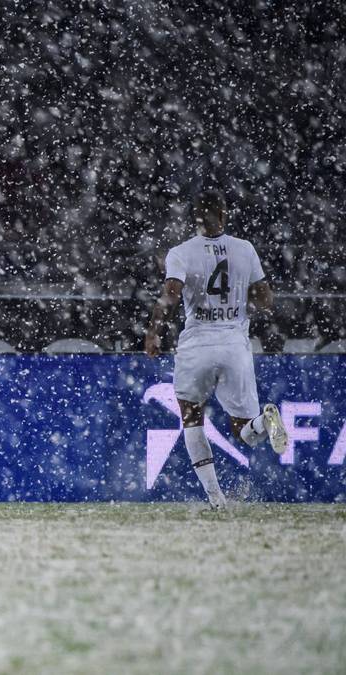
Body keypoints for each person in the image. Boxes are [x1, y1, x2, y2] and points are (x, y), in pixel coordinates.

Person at [144, 189, 288, 508]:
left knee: (192, 417)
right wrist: (240, 300)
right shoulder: (244, 249)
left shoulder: (181, 252)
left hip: (197, 344)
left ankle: (216, 499)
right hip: (235, 345)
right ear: (224, 215)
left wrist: (154, 332)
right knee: (245, 432)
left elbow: (169, 295)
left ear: (195, 218)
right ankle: (266, 422)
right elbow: (266, 301)